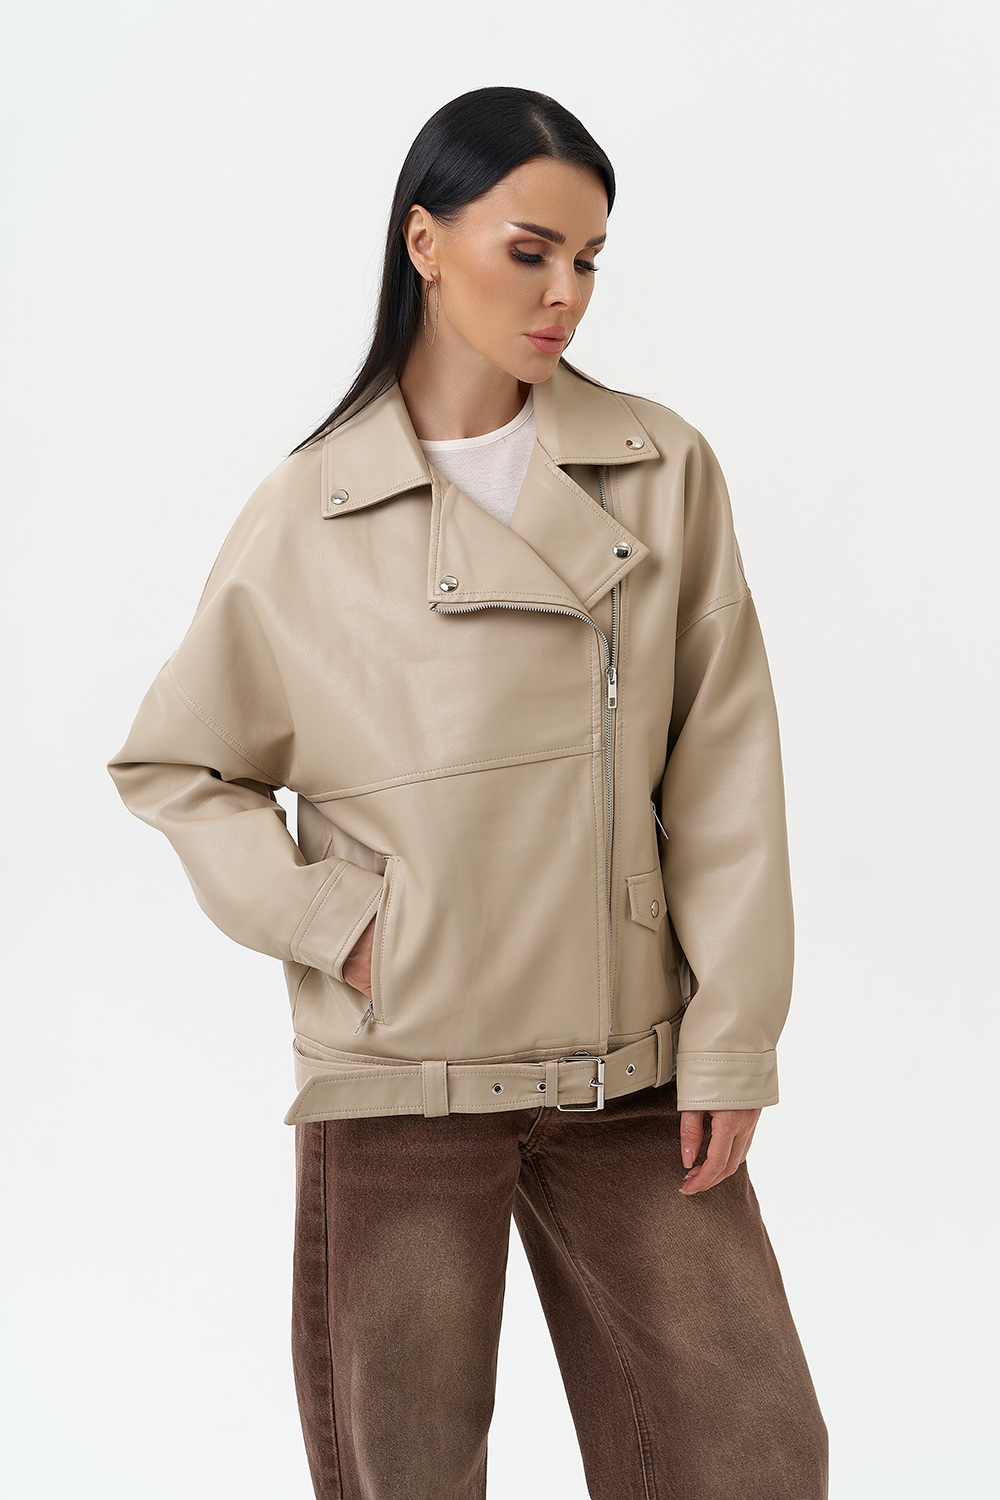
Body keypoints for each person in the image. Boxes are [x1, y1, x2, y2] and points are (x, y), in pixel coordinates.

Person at [107, 85, 828, 1500]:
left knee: (753, 1452)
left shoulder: (660, 469)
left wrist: (733, 1041)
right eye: (531, 250)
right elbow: (176, 763)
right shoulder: (310, 510)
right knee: (410, 1472)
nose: (568, 294)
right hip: (403, 1071)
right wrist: (337, 925)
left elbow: (726, 770)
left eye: (590, 259)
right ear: (425, 243)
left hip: (631, 1063)